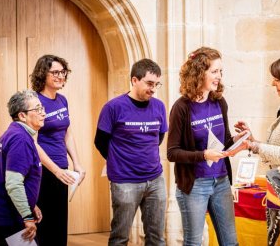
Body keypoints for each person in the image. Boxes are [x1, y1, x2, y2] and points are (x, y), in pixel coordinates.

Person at [167, 47, 242, 246]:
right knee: (193, 242)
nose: (219, 77)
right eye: (214, 71)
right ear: (200, 73)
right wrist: (203, 155)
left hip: (221, 181)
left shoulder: (219, 102)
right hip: (195, 185)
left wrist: (238, 140)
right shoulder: (181, 108)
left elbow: (224, 141)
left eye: (220, 72)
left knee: (230, 242)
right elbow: (172, 153)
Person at [94, 58, 168, 246]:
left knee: (157, 238)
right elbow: (100, 141)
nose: (153, 89)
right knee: (120, 238)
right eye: (149, 83)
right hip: (124, 181)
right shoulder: (113, 107)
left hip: (155, 180)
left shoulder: (159, 107)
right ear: (134, 80)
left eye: (156, 84)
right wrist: (120, 160)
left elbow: (158, 138)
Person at [30, 54, 86, 246]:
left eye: (63, 72)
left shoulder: (62, 100)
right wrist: (55, 170)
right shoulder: (34, 102)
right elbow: (32, 143)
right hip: (42, 171)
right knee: (43, 224)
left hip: (62, 169)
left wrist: (77, 164)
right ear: (42, 74)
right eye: (55, 72)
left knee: (59, 225)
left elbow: (67, 133)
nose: (60, 76)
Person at [0, 90, 45, 245]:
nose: (43, 113)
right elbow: (14, 184)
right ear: (22, 115)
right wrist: (27, 217)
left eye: (42, 108)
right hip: (2, 212)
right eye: (37, 109)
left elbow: (11, 175)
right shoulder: (20, 139)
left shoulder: (16, 133)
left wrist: (31, 204)